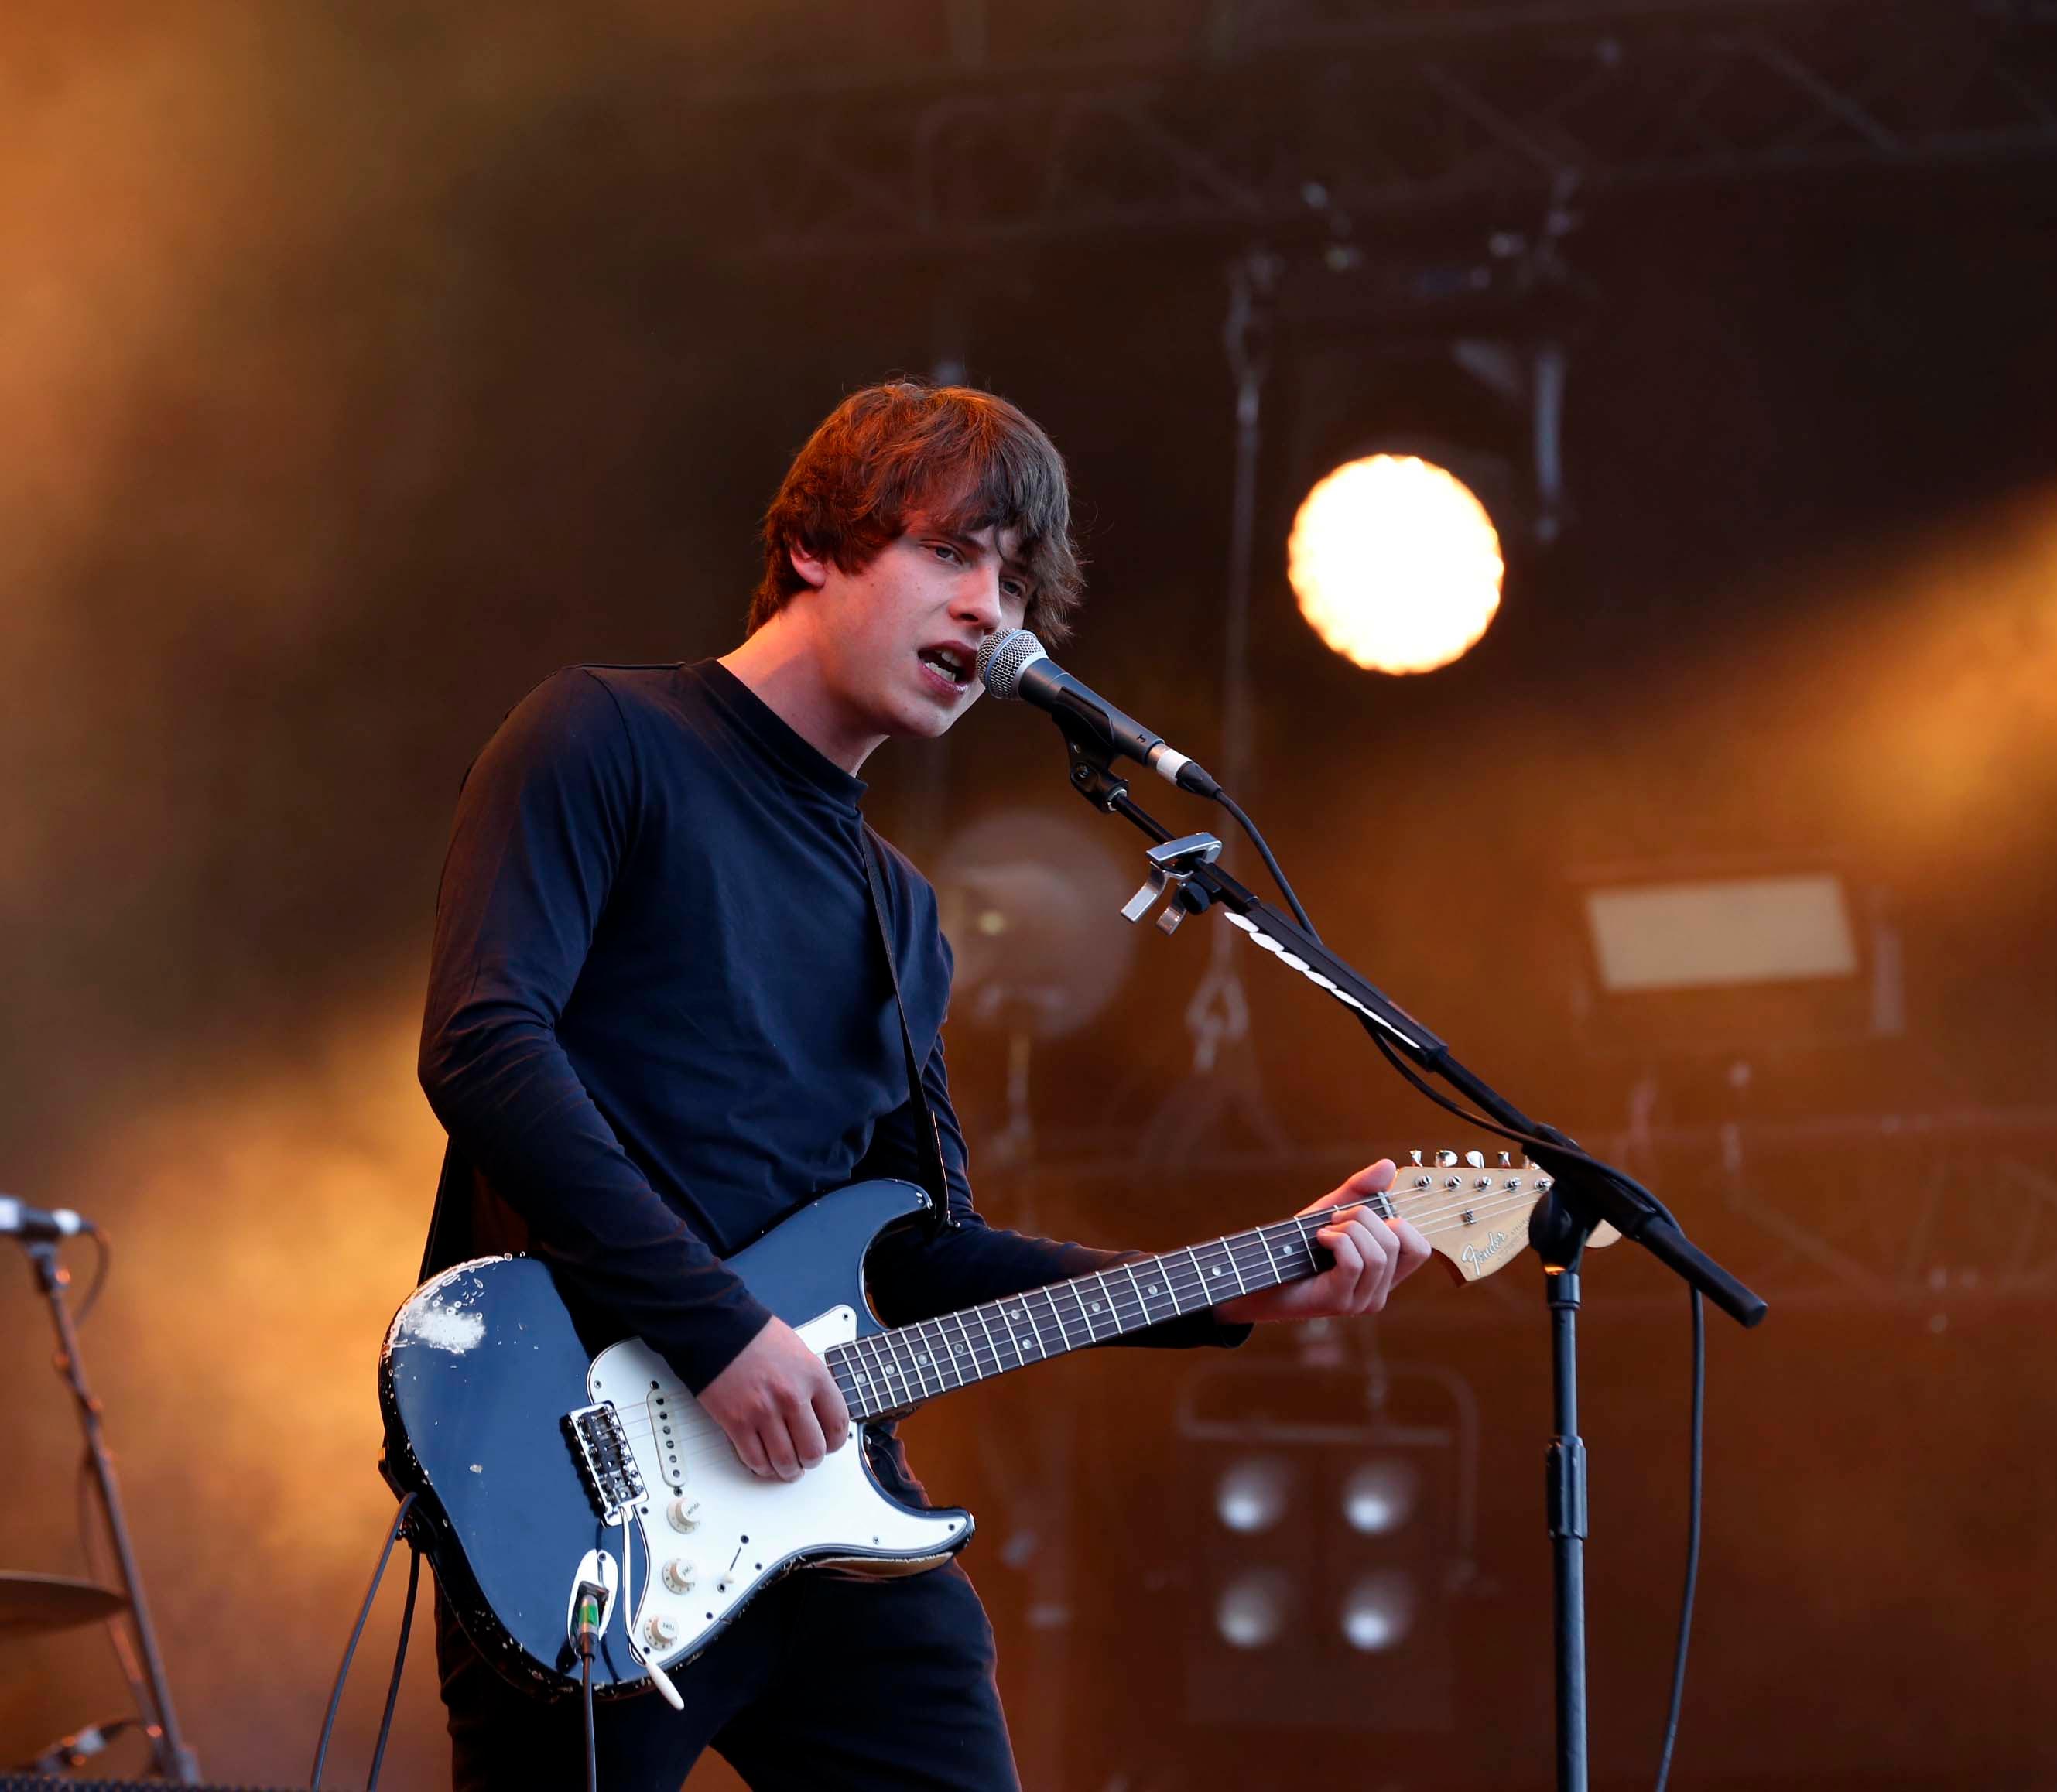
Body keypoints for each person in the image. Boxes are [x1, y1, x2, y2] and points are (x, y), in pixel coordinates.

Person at [412, 381, 1431, 1789]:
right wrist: (715, 1331)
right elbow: (481, 1044)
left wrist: (1232, 1289)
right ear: (821, 544)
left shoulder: (900, 918)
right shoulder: (602, 738)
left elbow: (921, 1250)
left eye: (1016, 585)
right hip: (583, 1490)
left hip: (825, 1522)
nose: (988, 613)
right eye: (954, 554)